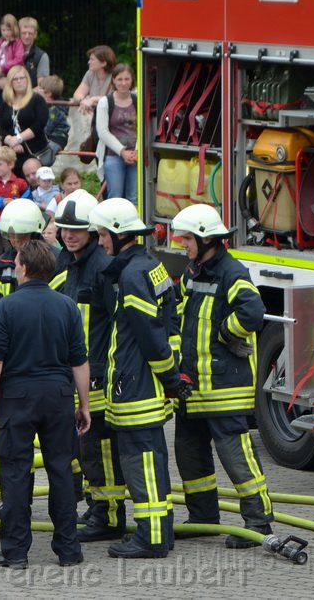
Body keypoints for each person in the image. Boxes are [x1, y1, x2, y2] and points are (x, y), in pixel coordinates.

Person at [0, 239, 90, 569]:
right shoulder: (67, 306)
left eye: (15, 265)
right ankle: (69, 550)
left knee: (15, 472)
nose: (13, 270)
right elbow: (80, 362)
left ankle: (15, 552)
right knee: (61, 471)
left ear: (25, 268)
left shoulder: (6, 307)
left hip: (18, 398)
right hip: (58, 397)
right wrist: (83, 405)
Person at [171, 204, 274, 548]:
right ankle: (203, 517)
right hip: (193, 385)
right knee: (189, 451)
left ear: (205, 238)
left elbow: (253, 313)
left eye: (186, 238)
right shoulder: (194, 271)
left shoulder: (232, 272)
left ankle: (258, 522)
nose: (180, 243)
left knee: (236, 454)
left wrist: (224, 334)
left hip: (224, 387)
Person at [89, 197, 186, 559]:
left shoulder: (132, 276)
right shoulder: (151, 266)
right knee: (151, 459)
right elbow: (169, 321)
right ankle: (158, 531)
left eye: (102, 234)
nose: (99, 242)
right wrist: (171, 376)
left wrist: (169, 377)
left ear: (117, 234)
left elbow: (149, 334)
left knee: (141, 462)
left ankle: (151, 538)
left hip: (137, 387)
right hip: (146, 382)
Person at [49, 190, 124, 542]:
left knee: (100, 445)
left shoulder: (103, 268)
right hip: (72, 370)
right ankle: (97, 506)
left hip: (97, 372)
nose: (69, 235)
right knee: (84, 447)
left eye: (76, 230)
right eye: (64, 229)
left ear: (94, 231)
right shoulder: (65, 262)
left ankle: (109, 516)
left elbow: (116, 322)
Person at [0, 197, 45, 319]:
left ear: (34, 233)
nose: (15, 240)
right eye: (11, 235)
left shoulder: (52, 261)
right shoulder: (2, 265)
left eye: (21, 234)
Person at [96, 64, 138, 204]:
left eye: (127, 79)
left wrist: (136, 151)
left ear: (132, 80)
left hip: (136, 155)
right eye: (119, 79)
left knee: (134, 197)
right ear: (113, 80)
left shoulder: (138, 100)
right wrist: (122, 152)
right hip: (113, 155)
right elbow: (102, 131)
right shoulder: (105, 102)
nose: (123, 83)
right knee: (115, 197)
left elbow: (144, 127)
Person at [0, 65, 49, 175]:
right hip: (11, 153)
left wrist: (19, 138)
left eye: (22, 78)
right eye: (15, 79)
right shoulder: (6, 103)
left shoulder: (36, 99)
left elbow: (40, 123)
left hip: (32, 151)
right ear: (10, 82)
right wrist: (10, 140)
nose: (19, 81)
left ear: (27, 80)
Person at [0, 145, 29, 262]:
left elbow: (28, 202)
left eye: (0, 164)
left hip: (12, 226)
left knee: (12, 253)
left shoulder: (20, 183)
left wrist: (14, 203)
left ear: (11, 164)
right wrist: (0, 202)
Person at [0, 14, 25, 89]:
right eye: (3, 30)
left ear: (14, 29)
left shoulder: (17, 43)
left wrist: (2, 68)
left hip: (11, 77)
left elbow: (19, 60)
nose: (5, 33)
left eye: (8, 30)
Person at [72, 45, 116, 115]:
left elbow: (116, 98)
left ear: (103, 63)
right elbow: (77, 94)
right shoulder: (90, 73)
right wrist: (83, 101)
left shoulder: (116, 76)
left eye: (92, 59)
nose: (89, 62)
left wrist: (93, 100)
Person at [36, 75, 69, 159]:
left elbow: (48, 127)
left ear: (48, 93)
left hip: (56, 138)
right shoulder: (45, 105)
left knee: (44, 153)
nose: (37, 91)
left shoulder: (55, 109)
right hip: (47, 137)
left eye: (40, 90)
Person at [18, 17, 50, 85]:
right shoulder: (9, 52)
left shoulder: (41, 56)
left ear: (35, 34)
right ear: (18, 33)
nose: (27, 36)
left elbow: (42, 87)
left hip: (32, 95)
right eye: (24, 33)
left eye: (30, 33)